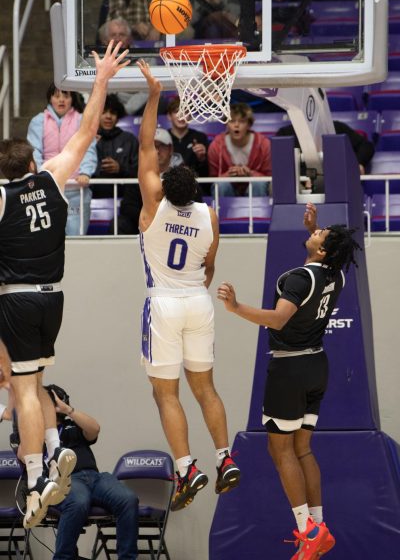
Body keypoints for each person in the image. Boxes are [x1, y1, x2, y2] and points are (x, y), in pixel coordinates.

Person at [0, 41, 130, 528]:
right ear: (33, 162)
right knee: (32, 386)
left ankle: (35, 477)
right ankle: (54, 454)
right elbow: (89, 130)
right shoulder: (54, 180)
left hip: (15, 298)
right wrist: (102, 79)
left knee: (24, 391)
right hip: (54, 298)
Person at [217, 203, 361, 559]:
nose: (314, 231)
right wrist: (314, 230)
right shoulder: (337, 275)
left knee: (279, 451)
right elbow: (324, 257)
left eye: (318, 234)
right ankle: (318, 525)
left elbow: (279, 320)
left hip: (289, 369)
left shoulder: (299, 277)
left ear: (323, 250)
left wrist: (237, 307)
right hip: (317, 366)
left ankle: (305, 531)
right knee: (303, 449)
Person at [135, 59, 241, 511]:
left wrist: (155, 94)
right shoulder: (209, 216)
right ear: (194, 190)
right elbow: (211, 266)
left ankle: (186, 467)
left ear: (161, 187)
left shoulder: (152, 209)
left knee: (166, 394)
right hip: (199, 299)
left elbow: (144, 147)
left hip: (164, 302)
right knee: (207, 390)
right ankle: (224, 457)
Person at [45, 385, 139, 560]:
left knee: (128, 499)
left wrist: (68, 410)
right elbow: (22, 452)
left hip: (96, 478)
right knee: (79, 501)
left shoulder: (72, 426)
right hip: (67, 480)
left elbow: (94, 429)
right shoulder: (37, 432)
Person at [27, 83, 98, 235]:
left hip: (76, 190)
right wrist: (41, 175)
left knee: (77, 238)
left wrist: (86, 172)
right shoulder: (38, 121)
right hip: (47, 189)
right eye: (57, 96)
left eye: (66, 96)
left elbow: (88, 148)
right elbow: (34, 151)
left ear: (72, 99)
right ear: (50, 98)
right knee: (49, 238)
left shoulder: (81, 120)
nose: (61, 100)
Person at [110, 127, 185, 235]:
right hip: (144, 223)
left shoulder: (183, 173)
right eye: (153, 147)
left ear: (171, 149)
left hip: (175, 224)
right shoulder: (136, 173)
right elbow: (128, 206)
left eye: (162, 146)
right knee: (119, 224)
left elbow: (193, 203)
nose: (157, 151)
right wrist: (149, 217)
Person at [208, 102, 272, 196]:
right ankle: (221, 211)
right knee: (221, 185)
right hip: (228, 187)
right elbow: (212, 179)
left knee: (258, 183)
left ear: (249, 125)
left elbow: (269, 176)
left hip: (254, 186)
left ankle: (258, 211)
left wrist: (250, 173)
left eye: (242, 121)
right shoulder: (216, 146)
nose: (236, 125)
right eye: (232, 121)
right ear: (226, 124)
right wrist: (228, 174)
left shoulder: (264, 144)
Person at [275, 120, 375, 176]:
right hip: (299, 187)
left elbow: (366, 146)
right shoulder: (285, 134)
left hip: (338, 183)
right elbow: (283, 165)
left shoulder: (336, 128)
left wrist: (358, 163)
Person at [94, 94, 138, 199]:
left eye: (112, 112)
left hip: (126, 199)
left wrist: (120, 168)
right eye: (103, 112)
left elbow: (140, 171)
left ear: (118, 117)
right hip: (94, 196)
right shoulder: (88, 140)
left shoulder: (129, 139)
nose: (108, 116)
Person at [166, 96, 209, 182]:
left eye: (186, 112)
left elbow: (206, 175)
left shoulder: (200, 137)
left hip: (194, 185)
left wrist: (202, 159)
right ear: (169, 116)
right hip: (168, 184)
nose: (182, 116)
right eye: (177, 111)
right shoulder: (163, 139)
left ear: (191, 116)